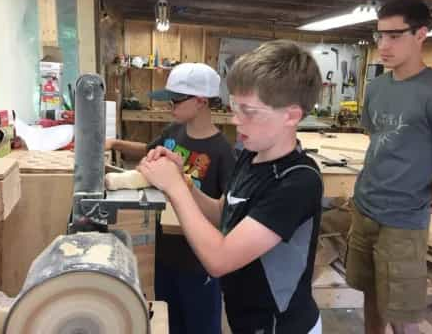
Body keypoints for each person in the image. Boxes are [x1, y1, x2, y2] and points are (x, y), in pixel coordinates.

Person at [137, 40, 324, 333]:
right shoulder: (249, 157)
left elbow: (219, 259)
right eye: (235, 106)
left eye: (248, 110)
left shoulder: (298, 180)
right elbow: (221, 213)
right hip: (244, 320)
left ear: (291, 115)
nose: (235, 119)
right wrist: (183, 180)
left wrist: (173, 189)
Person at [346, 0, 432, 334]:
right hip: (366, 206)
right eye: (380, 35)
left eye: (395, 36)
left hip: (403, 219)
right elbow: (378, 140)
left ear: (421, 34)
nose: (384, 45)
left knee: (402, 310)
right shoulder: (377, 87)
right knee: (370, 295)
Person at [107, 63, 236, 334]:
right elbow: (147, 149)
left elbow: (223, 215)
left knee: (201, 326)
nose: (169, 107)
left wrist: (183, 183)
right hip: (164, 253)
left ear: (201, 101)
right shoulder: (174, 133)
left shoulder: (223, 152)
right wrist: (114, 144)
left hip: (199, 262)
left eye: (175, 101)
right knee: (169, 322)